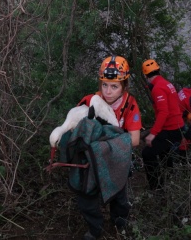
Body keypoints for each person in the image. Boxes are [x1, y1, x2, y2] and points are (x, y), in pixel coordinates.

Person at [76, 55, 142, 240]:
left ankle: (119, 222)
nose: (108, 91)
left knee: (119, 196)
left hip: (116, 159)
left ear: (124, 86)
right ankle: (95, 228)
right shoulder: (90, 101)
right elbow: (76, 128)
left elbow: (135, 139)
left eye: (114, 86)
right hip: (91, 160)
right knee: (86, 197)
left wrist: (102, 143)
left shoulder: (129, 104)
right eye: (104, 85)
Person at [141, 59, 184, 190]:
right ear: (158, 70)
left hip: (171, 129)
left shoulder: (158, 88)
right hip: (177, 127)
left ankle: (156, 187)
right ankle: (169, 177)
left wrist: (152, 134)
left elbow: (163, 112)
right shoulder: (166, 83)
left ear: (145, 75)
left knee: (147, 154)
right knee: (164, 151)